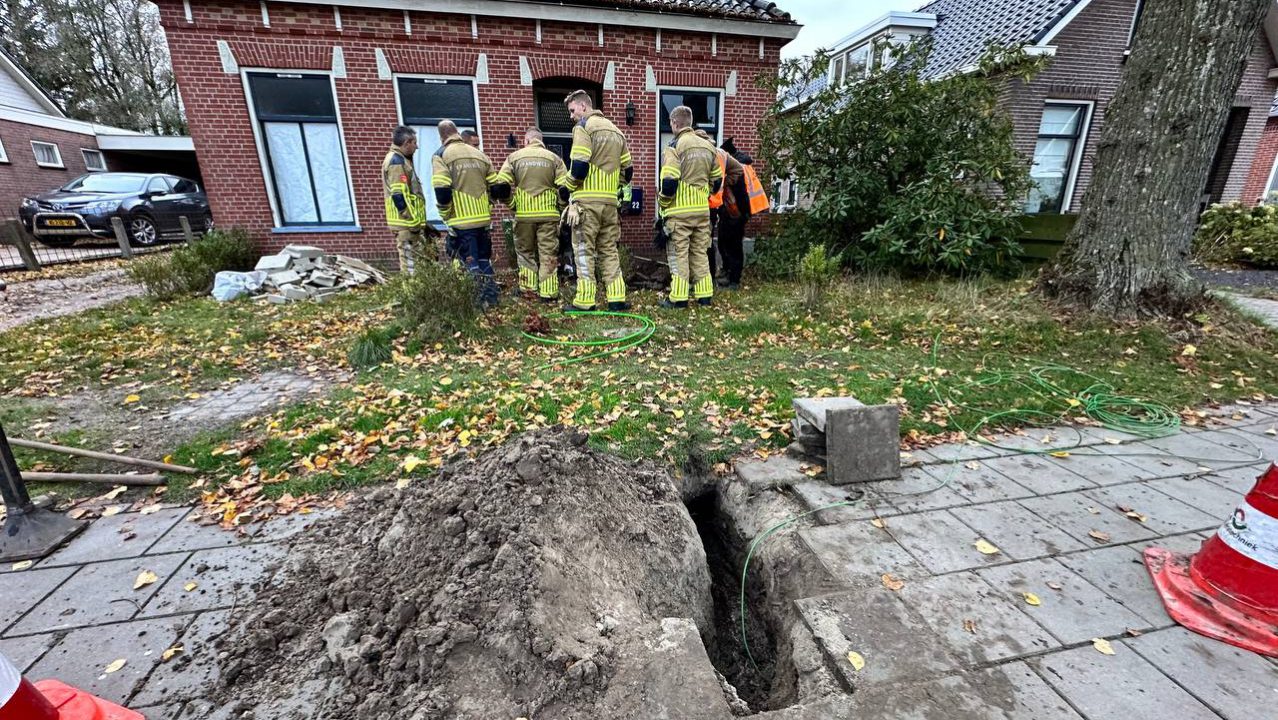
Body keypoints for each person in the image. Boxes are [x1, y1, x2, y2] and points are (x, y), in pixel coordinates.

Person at [563, 89, 633, 311]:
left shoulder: (583, 128)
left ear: (584, 106)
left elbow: (579, 166)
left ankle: (585, 301)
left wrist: (567, 188)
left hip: (586, 204)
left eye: (573, 110)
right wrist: (614, 187)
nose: (571, 116)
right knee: (609, 250)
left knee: (584, 251)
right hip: (610, 204)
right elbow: (628, 171)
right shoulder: (617, 132)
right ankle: (617, 299)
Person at [493, 128, 570, 302]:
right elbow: (564, 190)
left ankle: (528, 291)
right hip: (549, 215)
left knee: (525, 253)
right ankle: (549, 293)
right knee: (548, 253)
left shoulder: (514, 158)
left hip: (524, 215)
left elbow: (501, 187)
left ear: (526, 141)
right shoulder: (554, 159)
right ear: (541, 141)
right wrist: (559, 208)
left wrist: (513, 205)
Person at [431, 120, 500, 307]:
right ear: (457, 134)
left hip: (462, 221)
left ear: (442, 136)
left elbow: (442, 191)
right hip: (483, 220)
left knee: (471, 263)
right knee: (485, 260)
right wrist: (489, 208)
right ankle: (492, 298)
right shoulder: (480, 155)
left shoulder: (441, 155)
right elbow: (495, 188)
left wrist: (446, 215)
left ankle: (477, 304)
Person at [658, 106, 722, 308]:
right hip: (702, 212)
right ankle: (704, 296)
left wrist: (663, 203)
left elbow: (669, 183)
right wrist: (704, 195)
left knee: (679, 255)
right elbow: (717, 181)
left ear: (674, 123)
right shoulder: (708, 146)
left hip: (679, 212)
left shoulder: (674, 146)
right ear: (690, 122)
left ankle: (678, 298)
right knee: (700, 253)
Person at [382, 125, 427, 273]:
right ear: (407, 142)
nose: (417, 147)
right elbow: (398, 195)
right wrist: (412, 221)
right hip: (405, 225)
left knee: (415, 263)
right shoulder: (396, 162)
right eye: (415, 143)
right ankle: (412, 294)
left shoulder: (402, 160)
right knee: (410, 266)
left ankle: (418, 294)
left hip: (409, 224)